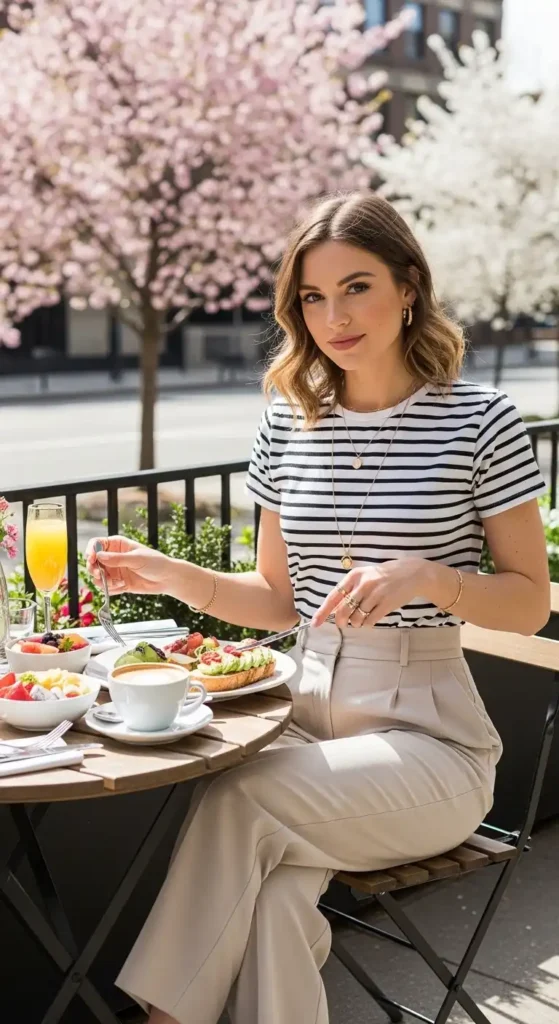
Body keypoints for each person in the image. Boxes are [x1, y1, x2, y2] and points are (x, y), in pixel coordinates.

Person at [86, 191, 550, 1024]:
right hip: (298, 721)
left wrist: (426, 578)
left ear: (408, 287)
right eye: (312, 296)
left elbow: (527, 605)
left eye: (356, 287)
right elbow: (271, 604)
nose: (333, 316)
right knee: (267, 905)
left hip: (430, 743)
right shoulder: (287, 424)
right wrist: (170, 574)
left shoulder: (479, 420)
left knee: (233, 801)